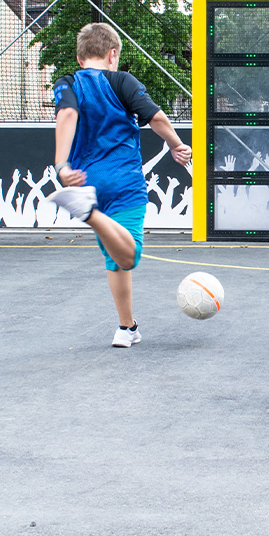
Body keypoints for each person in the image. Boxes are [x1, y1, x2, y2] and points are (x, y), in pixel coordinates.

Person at [46, 23, 192, 348]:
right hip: (124, 183)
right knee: (128, 257)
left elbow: (66, 115)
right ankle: (90, 213)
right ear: (113, 54)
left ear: (79, 57)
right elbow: (156, 118)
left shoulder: (67, 82)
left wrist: (61, 166)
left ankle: (127, 328)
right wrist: (176, 144)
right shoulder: (122, 80)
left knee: (114, 258)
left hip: (87, 182)